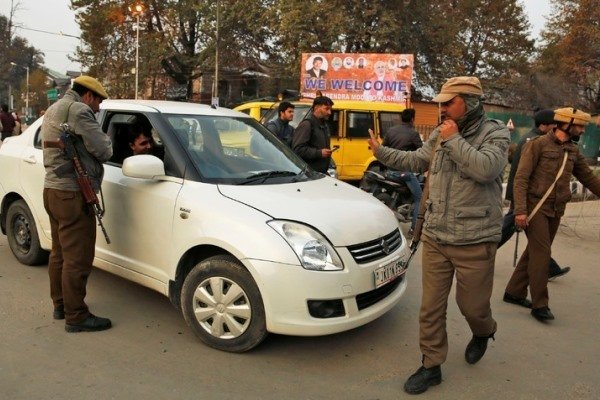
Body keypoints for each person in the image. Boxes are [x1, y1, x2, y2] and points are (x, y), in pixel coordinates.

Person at [367, 76, 510, 394]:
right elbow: (416, 160)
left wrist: (455, 139)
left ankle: (484, 330)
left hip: (475, 238)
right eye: (441, 103)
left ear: (470, 103)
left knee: (473, 307)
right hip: (436, 236)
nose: (442, 108)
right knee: (430, 307)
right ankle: (431, 365)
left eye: (449, 102)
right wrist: (381, 151)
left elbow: (487, 169)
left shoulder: (495, 133)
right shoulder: (441, 132)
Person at [505, 107, 600, 322]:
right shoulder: (537, 145)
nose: (582, 131)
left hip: (556, 209)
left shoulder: (573, 151)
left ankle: (514, 291)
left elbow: (589, 178)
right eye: (579, 126)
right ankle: (540, 304)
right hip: (535, 207)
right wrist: (520, 210)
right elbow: (521, 179)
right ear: (565, 124)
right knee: (541, 255)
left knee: (534, 252)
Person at [42, 75, 113, 333]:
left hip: (53, 190)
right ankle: (76, 316)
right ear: (88, 96)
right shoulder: (79, 110)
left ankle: (61, 305)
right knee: (78, 258)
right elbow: (105, 151)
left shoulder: (55, 107)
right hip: (73, 194)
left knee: (59, 253)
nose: (99, 108)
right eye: (99, 101)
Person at [499, 109, 570, 281]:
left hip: (525, 195)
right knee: (510, 228)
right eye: (554, 125)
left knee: (534, 235)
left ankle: (549, 267)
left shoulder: (535, 138)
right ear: (544, 125)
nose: (556, 128)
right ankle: (482, 254)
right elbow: (525, 174)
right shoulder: (533, 141)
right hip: (523, 195)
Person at [382, 108, 423, 234]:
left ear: (401, 118)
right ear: (412, 119)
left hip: (389, 171)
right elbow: (422, 153)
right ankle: (414, 228)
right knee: (420, 199)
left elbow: (383, 148)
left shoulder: (391, 131)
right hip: (404, 173)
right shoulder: (413, 133)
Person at [292, 96, 334, 174]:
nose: (329, 113)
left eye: (330, 109)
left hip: (320, 174)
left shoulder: (325, 126)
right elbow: (298, 150)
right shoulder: (307, 125)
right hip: (308, 175)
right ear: (316, 108)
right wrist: (319, 153)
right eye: (326, 109)